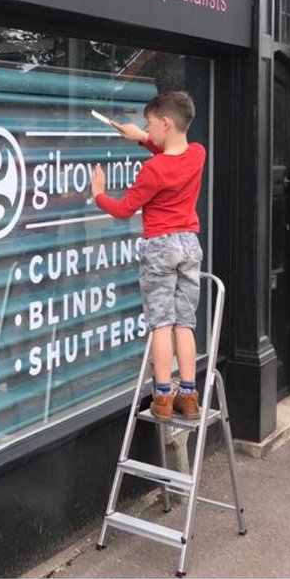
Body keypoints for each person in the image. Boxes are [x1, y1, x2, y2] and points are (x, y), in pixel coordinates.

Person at [91, 91, 207, 421]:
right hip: (189, 244)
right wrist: (140, 136)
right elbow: (169, 148)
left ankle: (163, 398)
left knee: (161, 324)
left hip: (160, 246)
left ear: (166, 123)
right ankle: (189, 395)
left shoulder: (153, 170)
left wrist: (98, 195)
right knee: (185, 323)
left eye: (150, 124)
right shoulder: (198, 154)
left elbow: (125, 209)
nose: (148, 128)